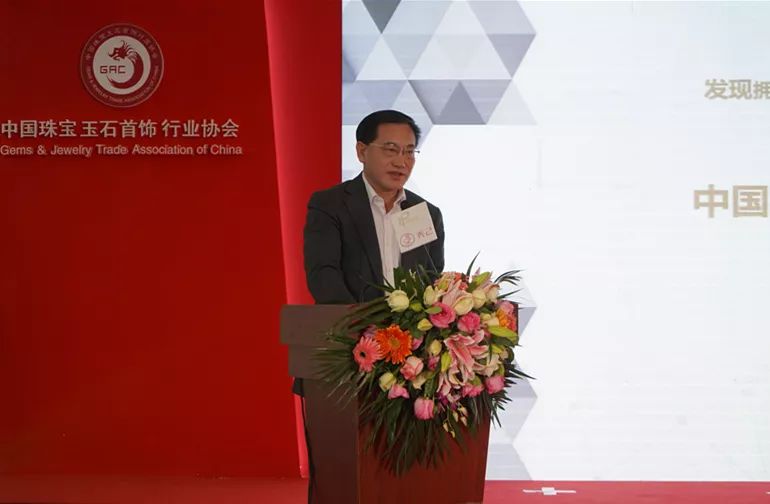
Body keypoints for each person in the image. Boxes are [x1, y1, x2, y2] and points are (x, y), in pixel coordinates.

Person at [303, 109, 445, 304]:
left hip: (409, 325)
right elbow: (323, 276)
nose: (401, 162)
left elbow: (432, 280)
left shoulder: (426, 213)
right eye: (391, 150)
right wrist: (360, 321)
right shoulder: (330, 205)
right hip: (350, 322)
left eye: (409, 152)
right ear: (362, 151)